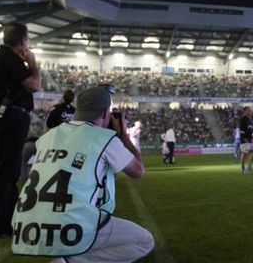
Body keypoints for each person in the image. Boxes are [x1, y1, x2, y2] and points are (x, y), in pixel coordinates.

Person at [11, 86, 154, 262]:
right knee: (143, 241)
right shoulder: (103, 138)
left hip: (26, 227)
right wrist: (123, 135)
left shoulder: (47, 137)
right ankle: (70, 260)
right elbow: (138, 171)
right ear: (104, 114)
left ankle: (65, 256)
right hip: (71, 226)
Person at [0, 22, 41, 238]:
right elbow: (34, 85)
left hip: (8, 115)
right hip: (12, 116)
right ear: (22, 40)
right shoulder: (8, 57)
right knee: (6, 171)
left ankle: (5, 222)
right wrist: (34, 64)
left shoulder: (5, 57)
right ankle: (0, 225)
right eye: (27, 39)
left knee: (8, 171)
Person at [21, 90, 77, 183]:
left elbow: (48, 125)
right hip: (71, 144)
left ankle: (24, 177)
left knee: (26, 149)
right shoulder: (75, 111)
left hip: (55, 143)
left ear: (63, 97)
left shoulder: (56, 108)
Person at [239, 106, 253, 174]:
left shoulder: (249, 119)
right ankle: (243, 170)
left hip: (250, 139)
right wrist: (244, 138)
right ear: (245, 111)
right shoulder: (243, 119)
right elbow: (242, 130)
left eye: (250, 110)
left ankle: (249, 167)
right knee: (244, 154)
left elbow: (250, 129)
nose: (250, 111)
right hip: (245, 139)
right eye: (249, 110)